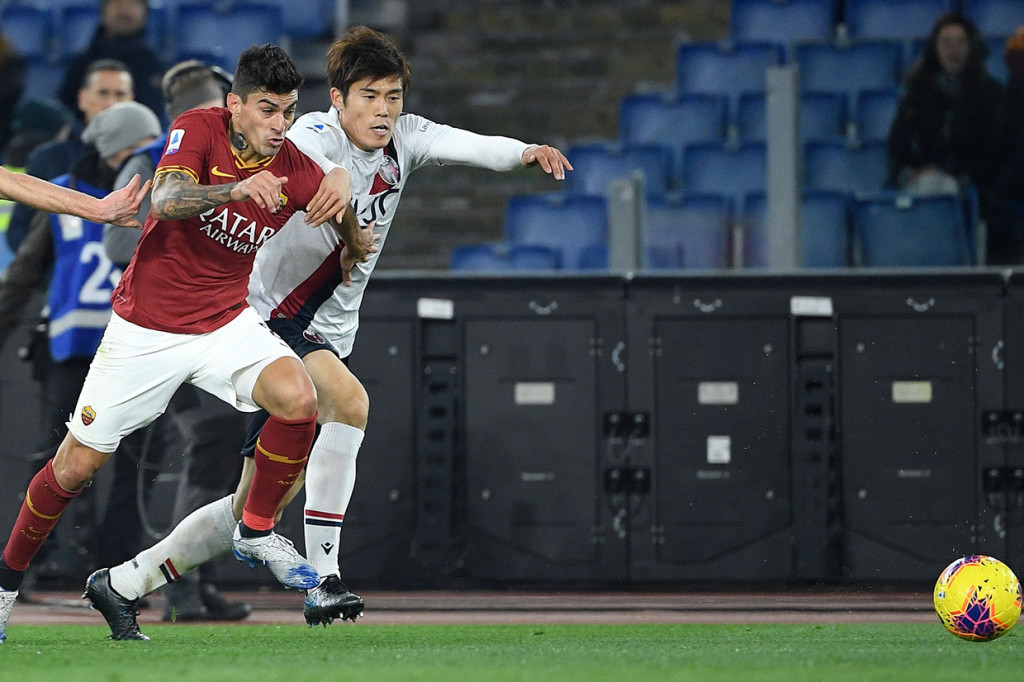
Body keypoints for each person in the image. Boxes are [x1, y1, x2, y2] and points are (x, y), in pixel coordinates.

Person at [87, 25, 571, 639]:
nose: (384, 109)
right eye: (368, 95)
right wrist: (336, 184)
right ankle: (325, 578)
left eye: (393, 96)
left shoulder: (408, 139)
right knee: (350, 401)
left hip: (328, 328)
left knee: (251, 505)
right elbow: (300, 163)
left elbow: (467, 142)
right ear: (337, 100)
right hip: (267, 318)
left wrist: (524, 150)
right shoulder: (311, 133)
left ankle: (124, 582)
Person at [0, 43, 364, 644]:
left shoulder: (296, 166)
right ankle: (6, 586)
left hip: (225, 321)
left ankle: (254, 529)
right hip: (146, 329)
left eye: (289, 112)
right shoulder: (198, 128)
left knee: (300, 398)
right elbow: (166, 201)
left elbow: (334, 195)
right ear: (235, 105)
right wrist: (235, 193)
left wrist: (350, 236)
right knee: (74, 468)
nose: (279, 125)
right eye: (268, 110)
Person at [105, 58, 251, 623]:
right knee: (213, 442)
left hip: (213, 326)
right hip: (167, 329)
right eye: (223, 100)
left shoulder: (222, 158)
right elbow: (119, 244)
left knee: (222, 451)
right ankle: (178, 588)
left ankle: (196, 579)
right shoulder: (158, 162)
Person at [886, 12, 1012, 262]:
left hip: (975, 187)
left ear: (971, 48)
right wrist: (907, 172)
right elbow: (898, 143)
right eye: (946, 42)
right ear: (935, 48)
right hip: (921, 183)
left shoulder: (992, 95)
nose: (952, 50)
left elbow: (995, 153)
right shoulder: (917, 92)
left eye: (960, 42)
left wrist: (960, 176)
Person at [8, 59, 134, 251]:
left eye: (120, 94)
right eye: (102, 93)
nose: (111, 103)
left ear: (131, 101)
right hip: (67, 278)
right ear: (82, 98)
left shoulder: (150, 159)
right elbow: (19, 231)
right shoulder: (48, 159)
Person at [57, 0, 164, 121]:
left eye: (133, 4)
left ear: (145, 12)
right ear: (103, 10)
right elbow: (64, 108)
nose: (124, 11)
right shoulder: (82, 61)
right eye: (117, 4)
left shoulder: (153, 65)